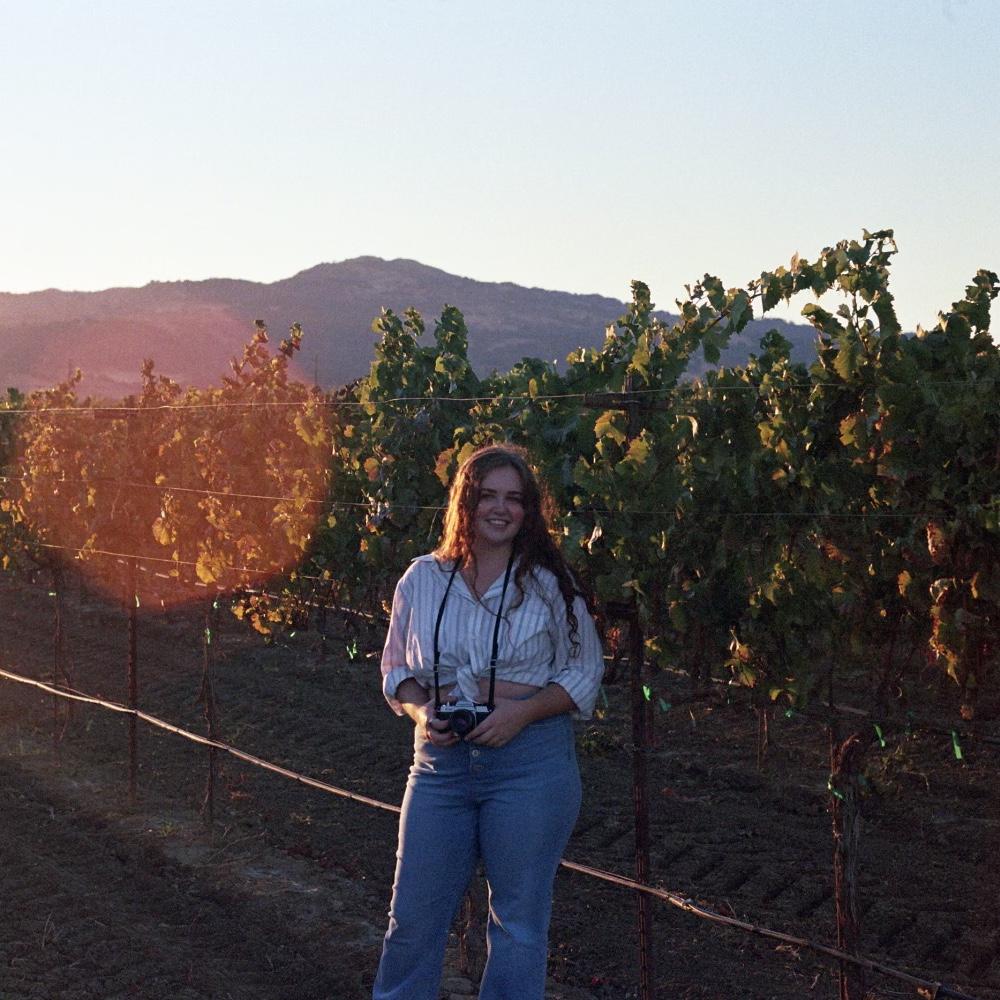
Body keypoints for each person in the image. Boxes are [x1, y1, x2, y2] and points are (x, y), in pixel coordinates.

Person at [372, 444, 604, 1000]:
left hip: (529, 765)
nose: (500, 509)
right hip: (441, 767)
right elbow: (397, 671)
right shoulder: (422, 579)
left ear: (528, 512)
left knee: (519, 925)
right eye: (487, 496)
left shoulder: (551, 584)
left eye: (514, 499)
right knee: (412, 919)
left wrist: (520, 713)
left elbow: (584, 674)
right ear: (465, 503)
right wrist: (423, 711)